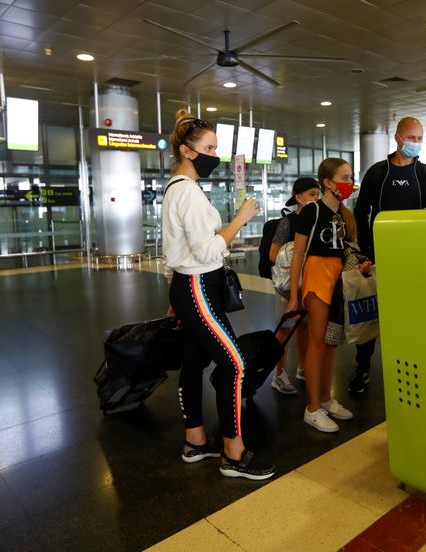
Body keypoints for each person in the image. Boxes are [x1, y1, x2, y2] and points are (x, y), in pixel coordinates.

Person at [163, 109, 275, 480]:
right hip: (197, 285)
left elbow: (182, 248)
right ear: (187, 151)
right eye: (209, 147)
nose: (216, 154)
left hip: (188, 285)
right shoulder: (188, 193)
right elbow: (208, 251)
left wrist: (175, 294)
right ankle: (233, 452)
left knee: (194, 362)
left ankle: (195, 441)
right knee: (235, 364)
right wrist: (240, 220)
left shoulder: (178, 188)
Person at [351, 117, 426, 393]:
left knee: (414, 317)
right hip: (382, 257)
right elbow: (361, 212)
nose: (415, 143)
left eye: (419, 139)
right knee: (373, 317)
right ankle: (362, 368)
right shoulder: (378, 173)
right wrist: (366, 251)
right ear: (397, 138)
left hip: (417, 259)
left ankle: (416, 364)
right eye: (411, 138)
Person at [286, 158, 370, 432]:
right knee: (317, 342)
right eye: (345, 177)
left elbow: (344, 249)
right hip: (317, 277)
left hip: (338, 279)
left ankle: (324, 398)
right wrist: (294, 296)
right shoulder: (311, 212)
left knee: (332, 341)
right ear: (328, 182)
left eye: (350, 176)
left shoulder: (343, 214)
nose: (349, 182)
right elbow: (298, 254)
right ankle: (312, 408)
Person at [267, 177, 320, 394]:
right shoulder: (287, 222)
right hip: (288, 287)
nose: (316, 199)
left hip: (309, 283)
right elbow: (272, 254)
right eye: (311, 194)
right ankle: (279, 375)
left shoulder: (317, 220)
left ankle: (302, 368)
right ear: (298, 197)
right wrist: (294, 254)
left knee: (305, 328)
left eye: (318, 194)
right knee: (285, 330)